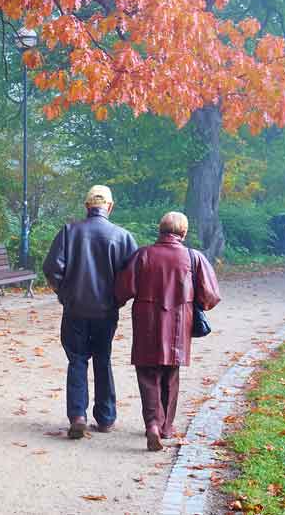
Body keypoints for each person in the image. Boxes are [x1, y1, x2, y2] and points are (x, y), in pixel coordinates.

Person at [115, 211, 221, 451]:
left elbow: (123, 290)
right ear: (183, 233)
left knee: (147, 374)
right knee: (170, 374)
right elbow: (211, 297)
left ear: (160, 230)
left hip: (146, 323)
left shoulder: (142, 255)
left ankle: (152, 423)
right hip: (178, 324)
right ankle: (166, 427)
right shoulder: (194, 258)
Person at [43, 185, 138, 439]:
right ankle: (106, 418)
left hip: (75, 309)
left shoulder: (69, 231)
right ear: (110, 207)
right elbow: (132, 278)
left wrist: (64, 294)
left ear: (87, 207)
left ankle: (77, 415)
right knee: (103, 359)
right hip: (106, 311)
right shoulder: (123, 237)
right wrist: (117, 300)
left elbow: (52, 268)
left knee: (77, 360)